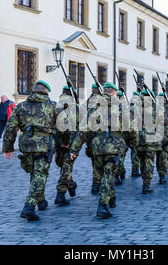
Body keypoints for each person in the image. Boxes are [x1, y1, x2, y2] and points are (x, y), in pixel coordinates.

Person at [69, 82, 137, 219]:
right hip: (115, 146)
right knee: (108, 175)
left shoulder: (93, 109)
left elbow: (83, 131)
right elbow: (133, 130)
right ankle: (103, 205)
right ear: (114, 93)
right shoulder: (123, 109)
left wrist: (74, 149)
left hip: (97, 147)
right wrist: (134, 143)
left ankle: (111, 198)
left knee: (105, 175)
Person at [2, 80, 58, 221]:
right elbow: (63, 128)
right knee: (40, 174)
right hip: (44, 144)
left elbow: (10, 127)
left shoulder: (21, 107)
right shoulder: (52, 106)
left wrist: (7, 148)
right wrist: (65, 144)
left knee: (34, 173)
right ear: (46, 92)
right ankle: (29, 206)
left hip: (27, 144)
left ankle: (41, 200)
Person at [54, 86, 78, 206]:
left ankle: (65, 190)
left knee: (63, 166)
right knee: (66, 167)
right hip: (70, 142)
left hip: (57, 142)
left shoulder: (56, 106)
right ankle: (66, 189)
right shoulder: (75, 107)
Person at [135, 89, 162, 194]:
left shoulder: (136, 108)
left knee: (142, 161)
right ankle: (146, 184)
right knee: (149, 162)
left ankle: (144, 178)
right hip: (151, 140)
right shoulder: (155, 109)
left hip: (139, 140)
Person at [130, 92, 142, 178]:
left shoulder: (128, 108)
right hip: (137, 132)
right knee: (136, 152)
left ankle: (120, 172)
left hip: (128, 132)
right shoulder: (139, 109)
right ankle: (135, 170)